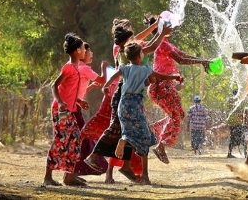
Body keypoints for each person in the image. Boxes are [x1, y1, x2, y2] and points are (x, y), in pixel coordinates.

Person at [83, 17, 170, 183]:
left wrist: (156, 29)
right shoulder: (126, 52)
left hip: (123, 95)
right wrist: (160, 32)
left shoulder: (125, 50)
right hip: (124, 96)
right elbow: (151, 46)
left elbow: (147, 43)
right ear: (126, 40)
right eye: (132, 38)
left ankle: (125, 166)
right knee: (117, 129)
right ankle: (94, 156)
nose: (135, 39)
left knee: (125, 131)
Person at [104, 40, 182, 184]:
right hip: (136, 103)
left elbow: (114, 76)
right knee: (144, 137)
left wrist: (106, 86)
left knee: (129, 130)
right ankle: (144, 175)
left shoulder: (124, 68)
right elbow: (160, 77)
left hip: (124, 103)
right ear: (140, 55)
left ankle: (125, 138)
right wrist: (175, 77)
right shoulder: (146, 69)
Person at [148, 28, 212, 164]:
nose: (172, 27)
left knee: (179, 115)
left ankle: (154, 129)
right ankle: (161, 144)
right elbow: (181, 60)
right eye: (169, 25)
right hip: (161, 85)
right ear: (162, 28)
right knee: (176, 116)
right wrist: (202, 61)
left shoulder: (166, 43)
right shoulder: (162, 44)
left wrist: (202, 60)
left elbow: (182, 55)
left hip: (166, 85)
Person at [43, 33, 87, 187]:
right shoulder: (68, 67)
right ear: (77, 51)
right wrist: (61, 102)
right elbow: (54, 85)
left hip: (69, 110)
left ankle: (69, 176)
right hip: (60, 111)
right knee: (60, 139)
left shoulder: (76, 68)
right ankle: (48, 177)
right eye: (83, 48)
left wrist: (79, 101)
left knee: (75, 138)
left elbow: (69, 91)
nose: (85, 51)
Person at [73, 42, 109, 177]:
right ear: (82, 53)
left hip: (75, 106)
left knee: (82, 137)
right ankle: (75, 170)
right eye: (89, 51)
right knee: (83, 137)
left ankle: (75, 170)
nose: (91, 53)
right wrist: (104, 67)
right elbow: (103, 79)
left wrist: (92, 87)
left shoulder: (78, 67)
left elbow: (78, 92)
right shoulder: (84, 68)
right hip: (73, 108)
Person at [227, 89, 248, 158]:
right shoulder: (239, 101)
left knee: (232, 137)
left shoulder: (230, 101)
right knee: (243, 137)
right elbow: (243, 110)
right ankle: (245, 153)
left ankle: (229, 153)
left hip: (231, 122)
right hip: (238, 122)